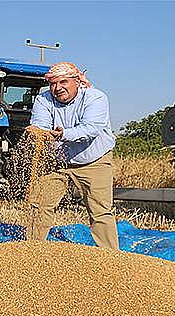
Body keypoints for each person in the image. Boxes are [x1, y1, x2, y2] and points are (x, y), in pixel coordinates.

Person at [26, 62, 119, 250]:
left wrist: (63, 134)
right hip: (58, 161)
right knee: (39, 205)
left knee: (100, 211)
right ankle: (32, 252)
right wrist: (40, 132)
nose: (57, 88)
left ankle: (111, 259)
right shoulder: (43, 100)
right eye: (53, 84)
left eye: (63, 82)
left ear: (77, 81)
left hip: (93, 160)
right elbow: (40, 125)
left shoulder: (95, 98)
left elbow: (91, 129)